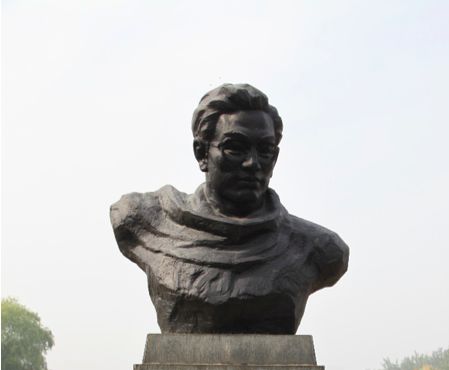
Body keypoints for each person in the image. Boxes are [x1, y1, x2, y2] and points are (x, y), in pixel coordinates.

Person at [110, 83, 349, 334]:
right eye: (235, 147)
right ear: (201, 153)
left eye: (265, 150)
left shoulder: (316, 247)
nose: (252, 163)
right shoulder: (144, 219)